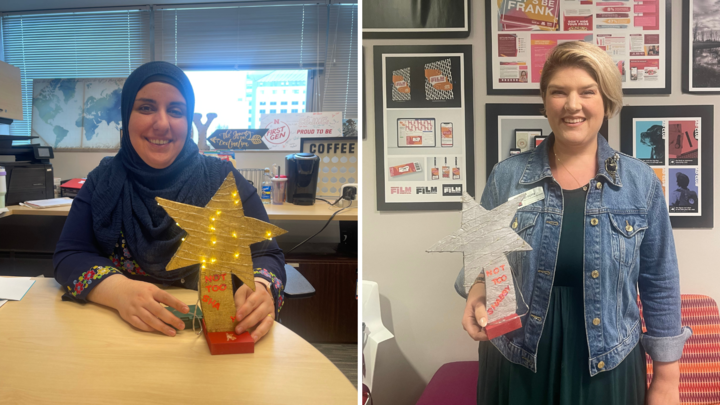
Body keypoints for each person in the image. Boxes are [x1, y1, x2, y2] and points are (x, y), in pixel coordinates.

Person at [456, 41, 691, 404]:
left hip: (608, 364)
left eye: (587, 92)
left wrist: (667, 379)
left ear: (606, 100)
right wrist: (478, 290)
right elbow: (483, 260)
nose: (572, 105)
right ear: (545, 101)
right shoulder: (507, 176)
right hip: (516, 359)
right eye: (559, 92)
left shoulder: (640, 182)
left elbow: (660, 280)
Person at [54, 61, 286, 342]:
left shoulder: (222, 180)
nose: (162, 124)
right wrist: (118, 291)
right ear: (126, 115)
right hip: (119, 336)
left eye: (176, 111)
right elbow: (69, 255)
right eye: (146, 108)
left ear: (187, 121)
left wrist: (261, 286)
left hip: (208, 338)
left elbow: (267, 254)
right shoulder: (103, 180)